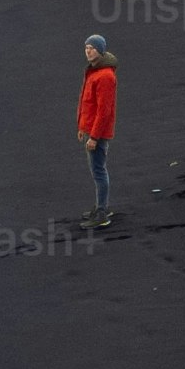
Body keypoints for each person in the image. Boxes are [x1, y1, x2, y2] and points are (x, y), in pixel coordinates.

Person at [77, 36, 119, 228]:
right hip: (91, 129)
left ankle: (102, 213)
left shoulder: (105, 76)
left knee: (99, 171)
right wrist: (82, 128)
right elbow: (88, 103)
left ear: (100, 50)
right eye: (86, 48)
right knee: (98, 170)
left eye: (92, 48)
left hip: (98, 133)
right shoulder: (94, 71)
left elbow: (104, 110)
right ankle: (101, 207)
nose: (88, 51)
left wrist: (93, 136)